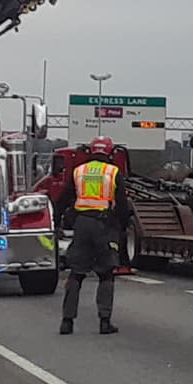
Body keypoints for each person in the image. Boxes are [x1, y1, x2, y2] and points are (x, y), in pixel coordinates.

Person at [55, 136, 129, 335]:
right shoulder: (113, 172)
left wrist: (57, 221)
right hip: (104, 225)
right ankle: (105, 322)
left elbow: (63, 198)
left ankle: (67, 322)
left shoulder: (79, 171)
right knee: (106, 274)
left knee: (76, 273)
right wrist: (122, 227)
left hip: (82, 225)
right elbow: (122, 203)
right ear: (110, 152)